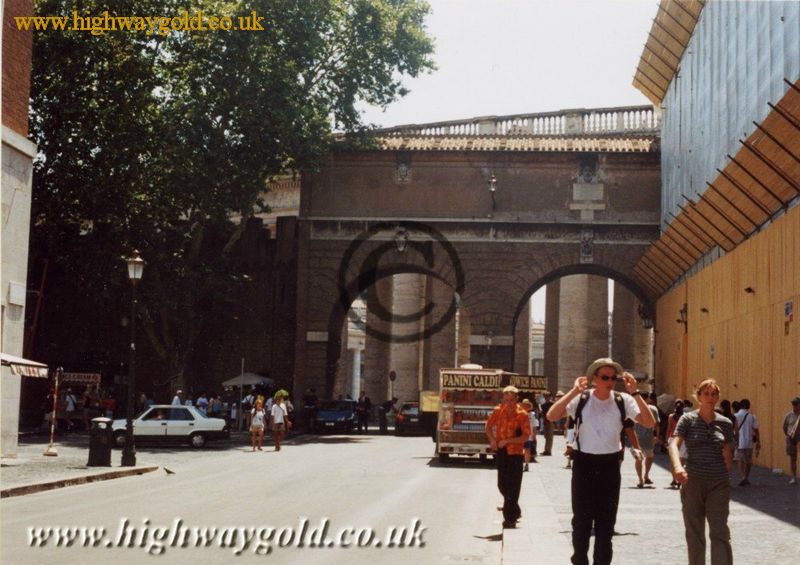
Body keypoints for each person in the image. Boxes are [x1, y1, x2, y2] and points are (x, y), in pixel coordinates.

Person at [546, 357, 655, 565]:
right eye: (605, 377)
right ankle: (579, 560)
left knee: (606, 524)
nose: (610, 381)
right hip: (584, 464)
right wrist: (574, 391)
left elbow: (649, 423)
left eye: (614, 378)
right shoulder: (582, 398)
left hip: (610, 465)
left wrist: (635, 392)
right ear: (594, 378)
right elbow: (552, 416)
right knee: (581, 522)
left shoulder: (624, 400)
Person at [669, 379, 734, 565]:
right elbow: (674, 444)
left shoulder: (725, 423)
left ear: (718, 397)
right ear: (698, 397)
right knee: (694, 531)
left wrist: (726, 475)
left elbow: (728, 452)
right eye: (706, 394)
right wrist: (677, 467)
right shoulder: (688, 419)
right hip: (693, 481)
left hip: (718, 483)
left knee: (720, 530)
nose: (710, 398)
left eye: (714, 394)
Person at [486, 385, 531, 529]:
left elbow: (525, 436)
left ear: (517, 399)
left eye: (512, 400)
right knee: (502, 485)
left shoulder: (522, 414)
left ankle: (509, 519)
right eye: (506, 400)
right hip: (502, 452)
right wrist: (492, 440)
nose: (509, 403)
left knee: (513, 486)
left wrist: (507, 441)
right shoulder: (498, 411)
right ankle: (515, 510)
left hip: (516, 453)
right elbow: (488, 426)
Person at [633, 392, 660, 487]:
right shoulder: (653, 408)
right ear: (648, 398)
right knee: (649, 457)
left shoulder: (634, 408)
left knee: (638, 459)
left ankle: (640, 479)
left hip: (637, 437)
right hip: (649, 437)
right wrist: (657, 436)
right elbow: (656, 424)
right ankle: (646, 475)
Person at [733, 398, 760, 486]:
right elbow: (756, 429)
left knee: (740, 459)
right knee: (748, 460)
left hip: (739, 441)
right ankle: (746, 477)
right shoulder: (752, 416)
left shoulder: (736, 416)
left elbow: (734, 429)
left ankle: (742, 477)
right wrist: (758, 441)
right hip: (749, 441)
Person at [667, 400, 686, 488]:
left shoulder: (671, 416)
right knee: (682, 459)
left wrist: (666, 439)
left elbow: (669, 428)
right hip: (683, 439)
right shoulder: (685, 416)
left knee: (673, 460)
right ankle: (680, 480)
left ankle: (674, 479)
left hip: (672, 438)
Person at [782, 396, 800, 485]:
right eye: (793, 404)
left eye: (796, 404)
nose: (794, 406)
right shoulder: (789, 415)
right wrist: (789, 435)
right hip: (792, 439)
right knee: (793, 459)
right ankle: (793, 477)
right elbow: (784, 427)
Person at [521, 398, 539, 471]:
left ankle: (527, 464)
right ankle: (520, 463)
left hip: (528, 435)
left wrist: (534, 434)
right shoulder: (519, 414)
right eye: (524, 405)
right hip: (520, 435)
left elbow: (535, 425)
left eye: (527, 405)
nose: (525, 407)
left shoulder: (532, 415)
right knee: (520, 450)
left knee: (527, 450)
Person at [540, 391, 554, 455]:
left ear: (550, 397)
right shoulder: (543, 405)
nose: (546, 398)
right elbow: (542, 414)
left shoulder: (553, 404)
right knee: (546, 436)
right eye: (545, 397)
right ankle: (546, 450)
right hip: (545, 421)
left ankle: (548, 451)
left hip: (551, 421)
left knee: (550, 437)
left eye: (547, 396)